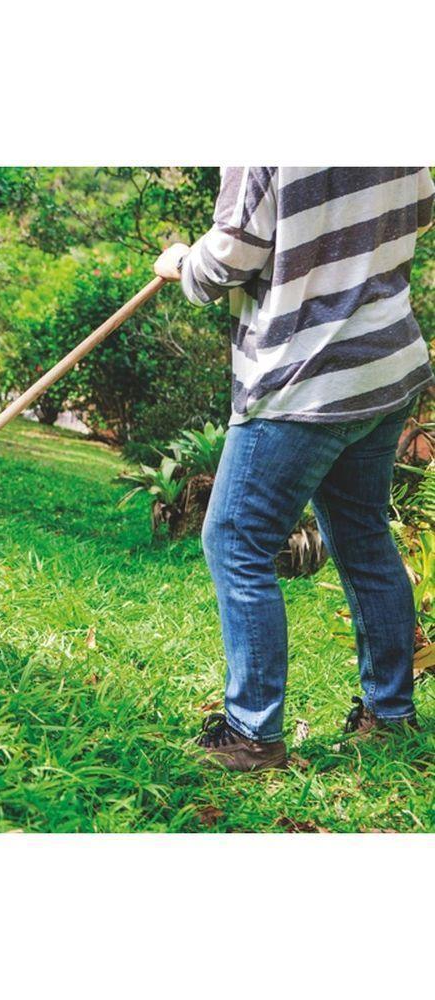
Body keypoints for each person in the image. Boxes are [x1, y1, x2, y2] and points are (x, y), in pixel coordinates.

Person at [154, 167, 434, 771]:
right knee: (362, 535)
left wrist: (183, 263)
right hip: (383, 367)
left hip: (304, 379)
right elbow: (419, 212)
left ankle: (252, 734)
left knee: (235, 539)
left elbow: (229, 258)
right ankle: (390, 717)